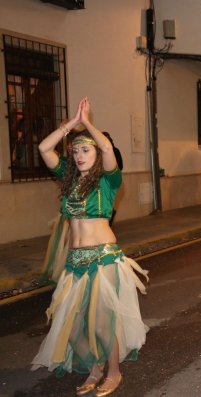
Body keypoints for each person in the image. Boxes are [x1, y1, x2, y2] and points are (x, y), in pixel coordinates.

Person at [32, 98, 148, 397]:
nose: (80, 155)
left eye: (86, 150)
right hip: (75, 261)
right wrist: (70, 125)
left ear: (96, 153)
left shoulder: (109, 181)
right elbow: (45, 149)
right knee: (70, 326)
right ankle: (95, 369)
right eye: (75, 151)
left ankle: (113, 373)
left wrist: (89, 125)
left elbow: (108, 149)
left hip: (103, 259)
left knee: (99, 325)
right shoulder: (68, 180)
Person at [102, 132, 123, 226]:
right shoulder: (97, 151)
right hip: (102, 180)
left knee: (109, 202)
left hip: (112, 180)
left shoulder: (116, 151)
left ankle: (108, 219)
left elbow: (121, 166)